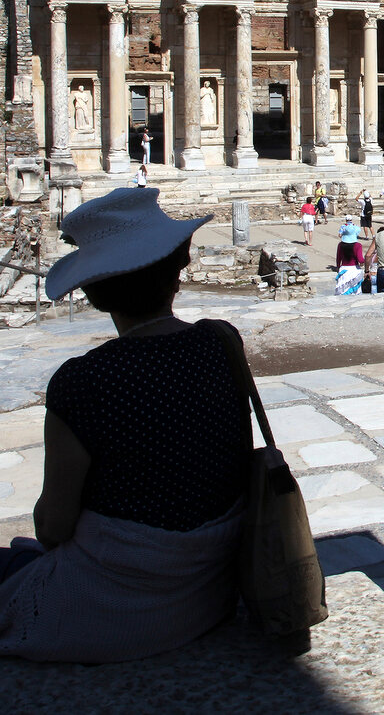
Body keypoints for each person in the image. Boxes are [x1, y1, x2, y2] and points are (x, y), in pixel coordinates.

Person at [0, 188, 252, 663]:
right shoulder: (222, 343)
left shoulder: (83, 381)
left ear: (94, 290)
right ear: (176, 275)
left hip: (116, 608)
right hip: (209, 589)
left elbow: (53, 527)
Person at [363, 226, 384, 293]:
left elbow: (368, 255)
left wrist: (366, 271)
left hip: (383, 271)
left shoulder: (379, 235)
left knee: (382, 297)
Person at [334, 225, 364, 295]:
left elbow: (338, 259)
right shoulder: (358, 245)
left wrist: (338, 267)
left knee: (342, 291)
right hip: (354, 270)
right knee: (355, 292)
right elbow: (360, 259)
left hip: (344, 269)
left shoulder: (340, 245)